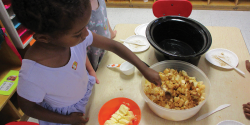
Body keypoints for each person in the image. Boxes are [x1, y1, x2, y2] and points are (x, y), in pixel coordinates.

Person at [12, 0, 161, 125]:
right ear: (44, 38)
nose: (86, 34)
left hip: (84, 94)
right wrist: (66, 119)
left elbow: (113, 45)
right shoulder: (32, 74)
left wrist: (143, 68)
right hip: (64, 115)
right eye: (78, 33)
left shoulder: (75, 37)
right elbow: (28, 108)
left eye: (85, 27)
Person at [86, 0, 117, 83]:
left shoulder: (101, 1)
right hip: (90, 55)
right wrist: (90, 70)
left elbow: (104, 17)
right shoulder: (79, 7)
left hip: (104, 48)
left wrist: (110, 33)